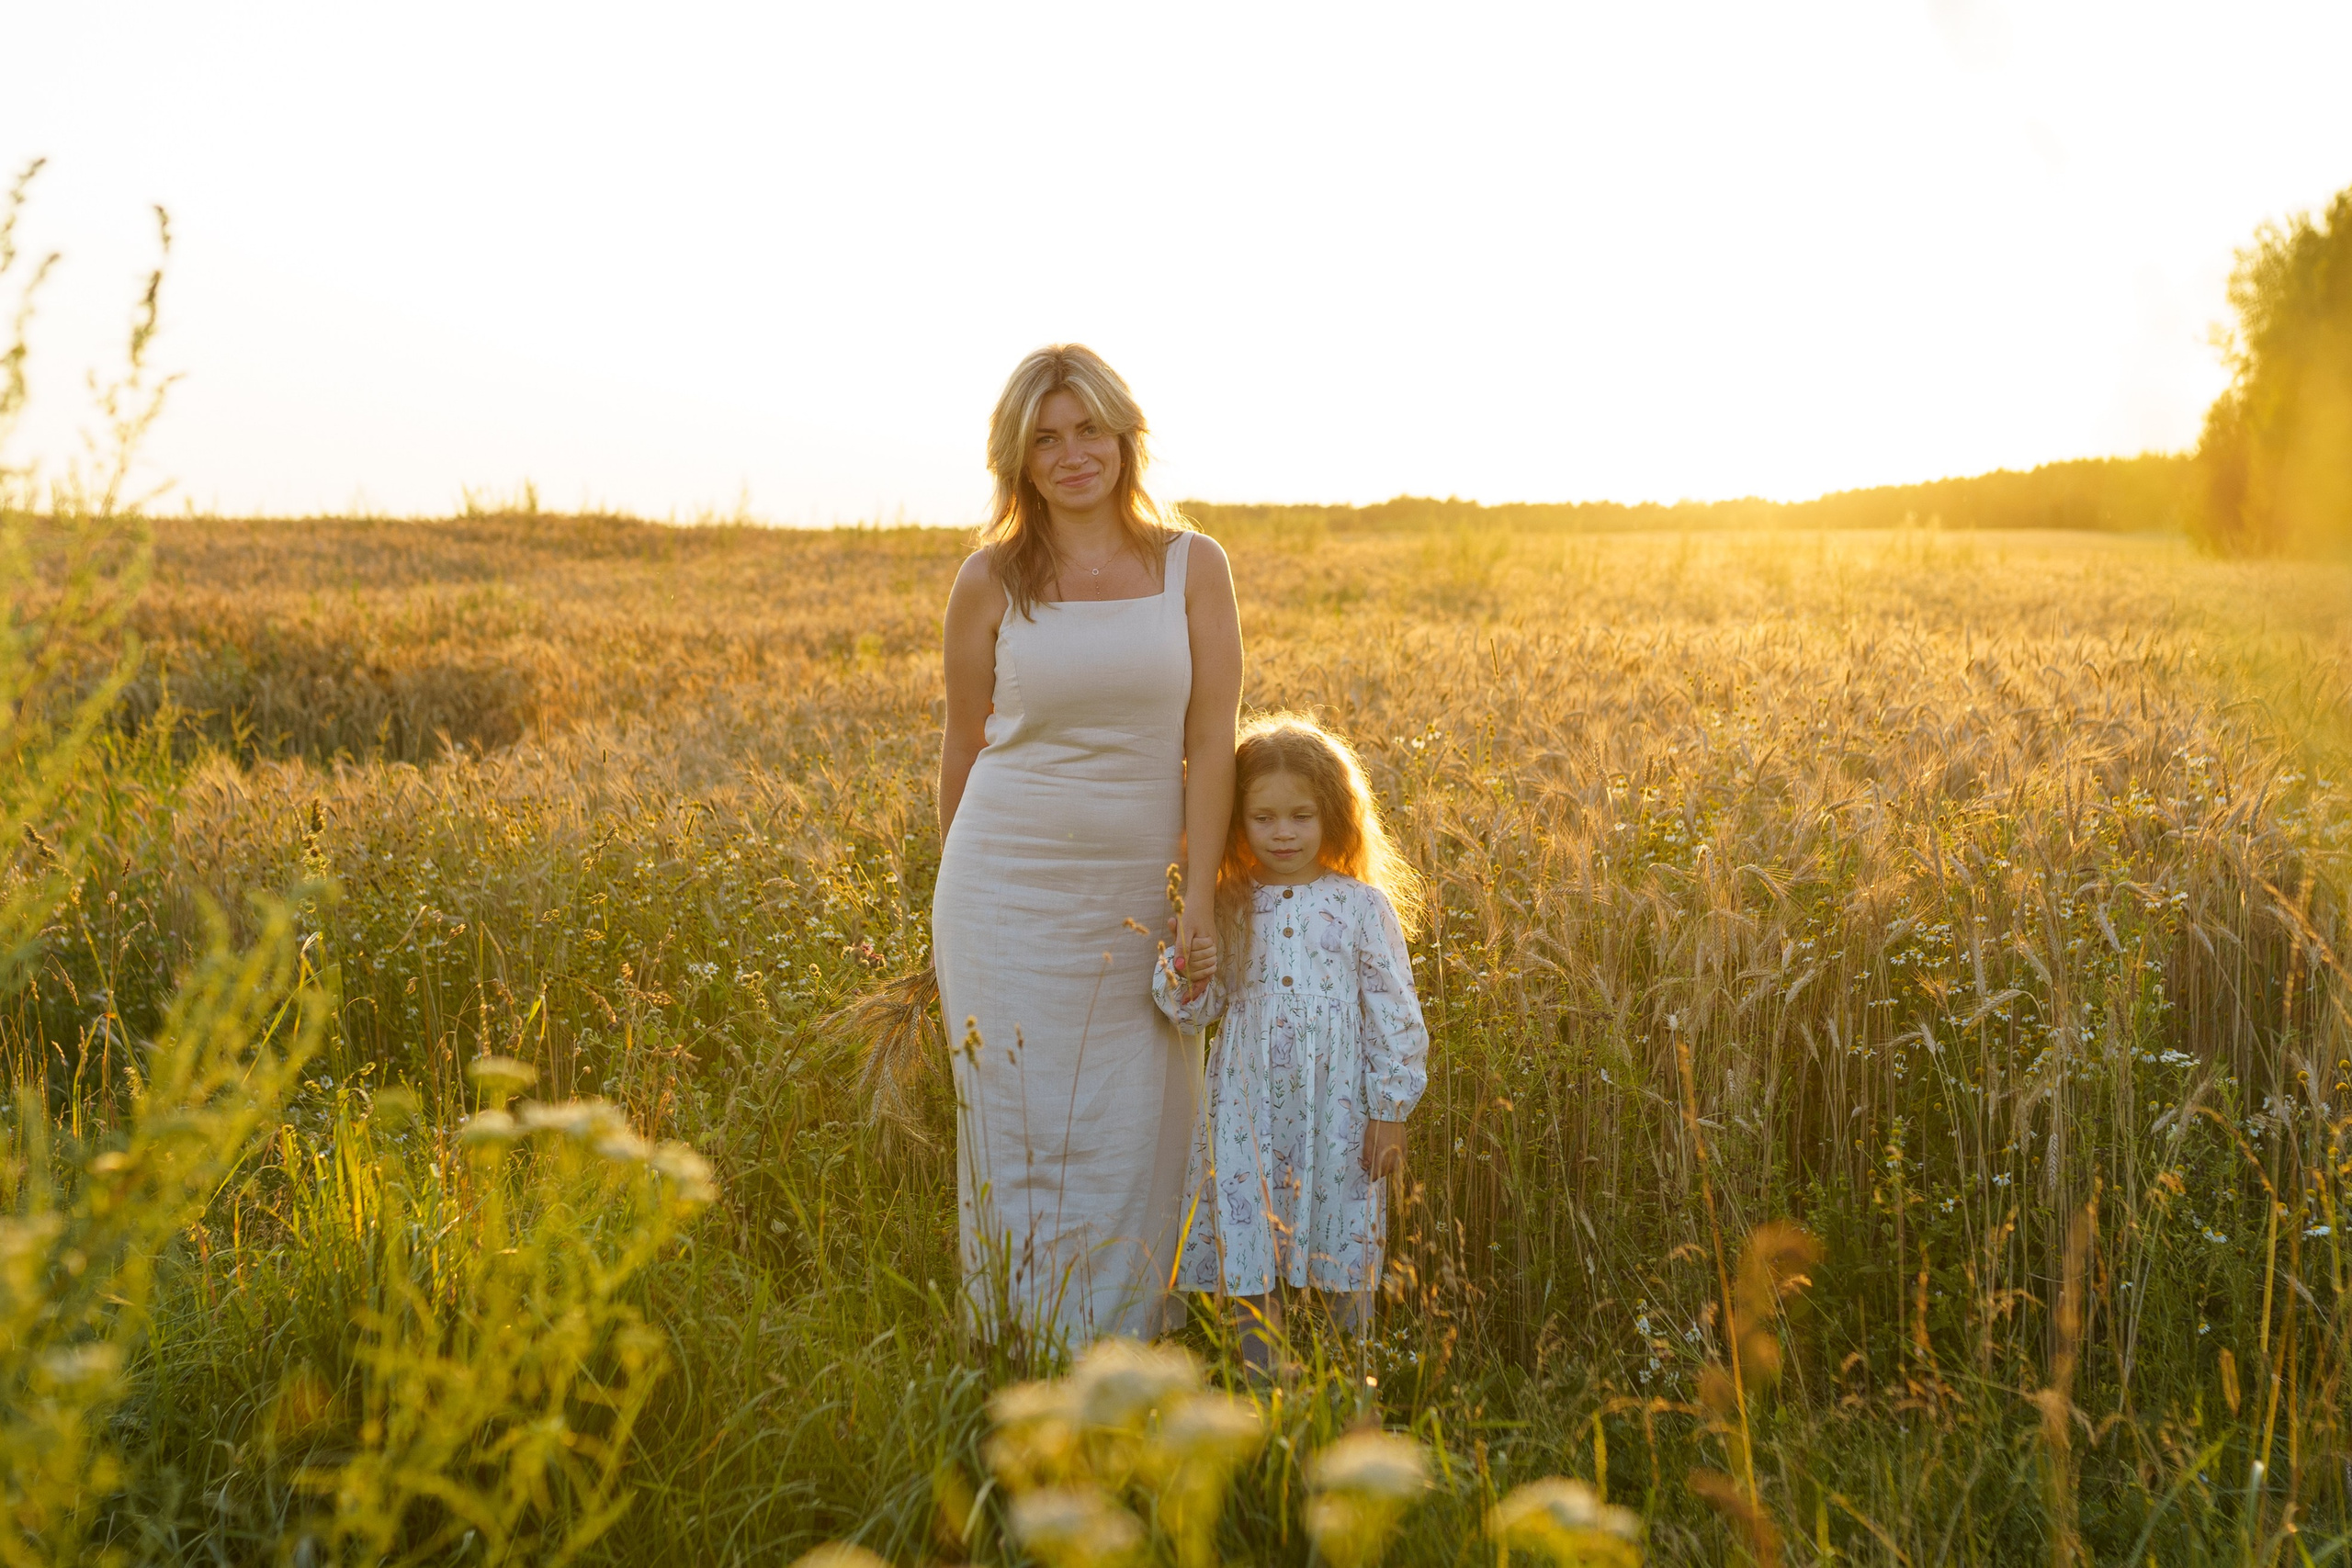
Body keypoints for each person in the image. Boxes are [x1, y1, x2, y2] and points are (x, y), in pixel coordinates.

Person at [933, 344, 1242, 1342]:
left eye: (1089, 431)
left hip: (1140, 893)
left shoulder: (1194, 566)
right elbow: (963, 744)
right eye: (1046, 440)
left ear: (1123, 438)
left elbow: (1211, 739)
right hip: (1002, 891)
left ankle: (1124, 1355)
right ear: (1018, 461)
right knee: (1013, 1125)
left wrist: (1198, 898)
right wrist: (949, 898)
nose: (1072, 455)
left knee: (1139, 1121)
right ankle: (1016, 1351)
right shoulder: (988, 580)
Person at [1152, 714, 1430, 1373]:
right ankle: (1260, 1385)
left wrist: (1390, 1111)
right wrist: (1187, 972)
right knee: (1249, 1243)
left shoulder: (1361, 906)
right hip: (1246, 1111)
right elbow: (1196, 1014)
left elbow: (1395, 1013)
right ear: (1235, 821)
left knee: (1344, 1239)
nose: (1283, 833)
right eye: (1264, 817)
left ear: (1332, 815)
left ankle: (1347, 1380)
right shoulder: (1226, 902)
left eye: (1301, 816)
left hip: (1339, 1113)